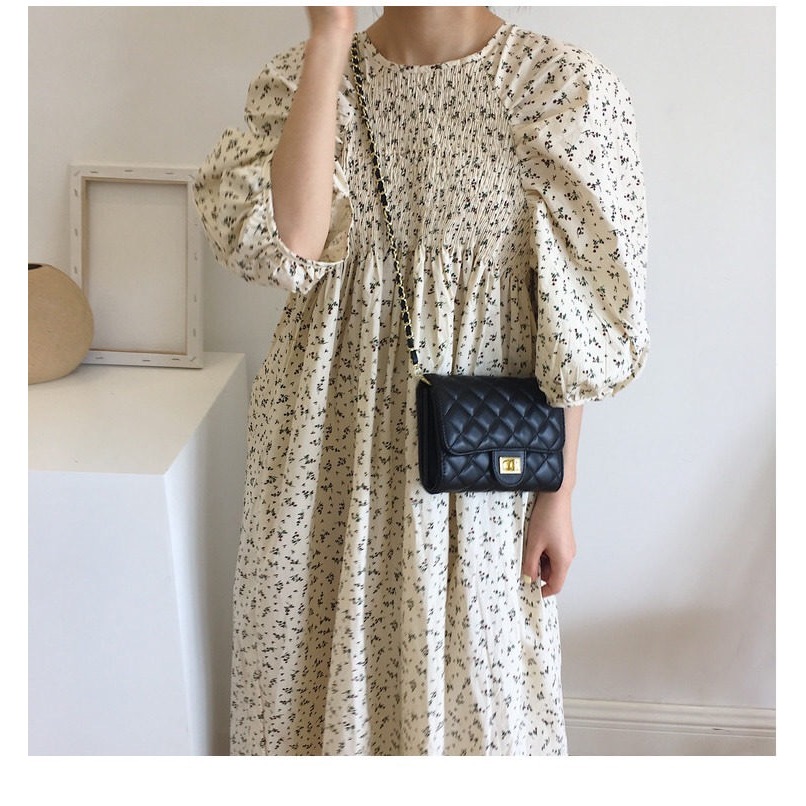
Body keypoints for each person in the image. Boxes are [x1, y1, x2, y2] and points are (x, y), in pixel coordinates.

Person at [193, 5, 649, 756]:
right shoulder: (305, 78)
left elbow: (572, 328)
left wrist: (559, 495)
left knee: (470, 692)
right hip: (322, 458)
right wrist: (330, 36)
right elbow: (291, 246)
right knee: (307, 674)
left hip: (477, 482)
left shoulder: (559, 92)